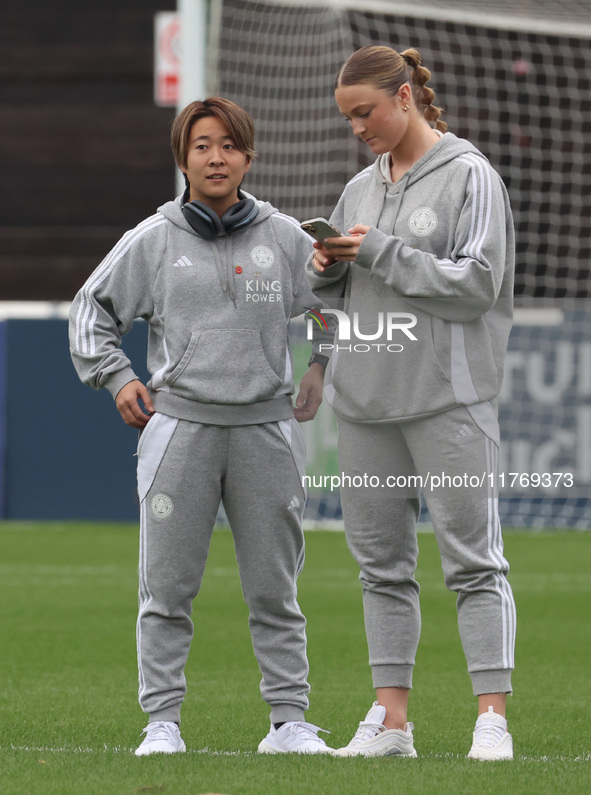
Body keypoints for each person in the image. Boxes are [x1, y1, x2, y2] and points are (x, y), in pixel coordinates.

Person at [69, 97, 334, 756]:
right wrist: (118, 375)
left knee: (276, 587)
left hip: (266, 433)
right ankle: (162, 723)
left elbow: (337, 303)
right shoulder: (152, 239)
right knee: (167, 587)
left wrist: (321, 365)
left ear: (247, 155)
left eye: (228, 145)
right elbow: (90, 311)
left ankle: (288, 723)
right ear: (182, 157)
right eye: (201, 145)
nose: (215, 157)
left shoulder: (284, 236)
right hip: (179, 430)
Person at [306, 46, 516, 761]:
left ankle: (490, 717)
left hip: (447, 402)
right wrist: (325, 269)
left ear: (404, 97)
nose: (357, 128)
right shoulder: (357, 189)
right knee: (380, 568)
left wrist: (380, 253)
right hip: (364, 404)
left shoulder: (470, 176)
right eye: (348, 118)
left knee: (472, 563)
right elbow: (335, 299)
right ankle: (390, 722)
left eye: (364, 113)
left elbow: (478, 283)